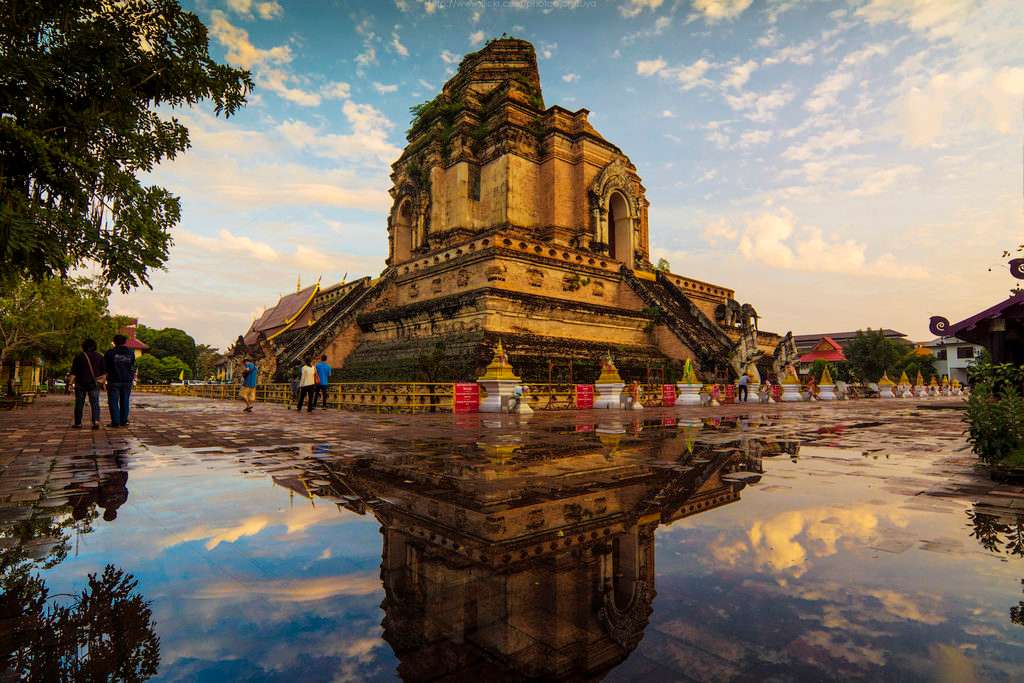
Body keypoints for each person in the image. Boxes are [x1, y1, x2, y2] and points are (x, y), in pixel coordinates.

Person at [69, 339, 106, 429]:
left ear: (83, 346)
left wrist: (70, 384)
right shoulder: (100, 356)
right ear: (95, 346)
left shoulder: (79, 356)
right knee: (95, 403)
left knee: (79, 403)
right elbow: (104, 372)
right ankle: (95, 421)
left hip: (80, 383)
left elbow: (73, 372)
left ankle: (78, 423)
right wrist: (102, 382)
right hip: (94, 383)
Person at [104, 334, 136, 427]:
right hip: (127, 380)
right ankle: (124, 421)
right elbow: (132, 365)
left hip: (114, 380)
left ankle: (115, 421)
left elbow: (105, 367)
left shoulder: (110, 353)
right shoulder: (131, 352)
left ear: (114, 342)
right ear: (125, 342)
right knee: (125, 400)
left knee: (113, 401)